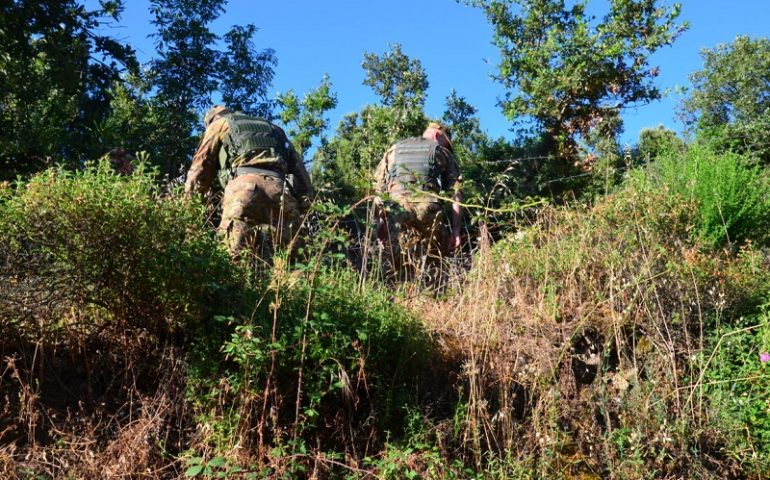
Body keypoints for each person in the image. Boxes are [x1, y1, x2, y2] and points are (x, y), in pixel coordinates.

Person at [184, 105, 313, 255]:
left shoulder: (219, 125)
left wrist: (188, 212)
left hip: (243, 191)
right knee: (295, 262)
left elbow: (199, 169)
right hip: (280, 192)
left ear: (211, 119)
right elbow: (302, 175)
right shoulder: (275, 129)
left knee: (233, 258)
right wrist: (305, 208)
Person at [373, 122, 463, 265]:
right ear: (436, 135)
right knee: (438, 258)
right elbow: (456, 193)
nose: (444, 147)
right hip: (428, 208)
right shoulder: (441, 152)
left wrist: (381, 222)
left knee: (395, 262)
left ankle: (401, 281)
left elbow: (379, 190)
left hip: (397, 208)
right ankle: (435, 281)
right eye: (445, 143)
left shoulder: (393, 150)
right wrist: (456, 231)